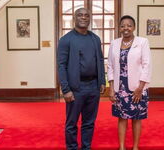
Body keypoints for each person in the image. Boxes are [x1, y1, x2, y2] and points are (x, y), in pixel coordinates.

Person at [57, 8, 106, 150]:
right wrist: (66, 89)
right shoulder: (66, 40)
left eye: (86, 15)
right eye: (80, 15)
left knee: (89, 123)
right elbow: (61, 66)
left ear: (89, 19)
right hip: (75, 88)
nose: (83, 17)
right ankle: (72, 147)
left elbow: (101, 60)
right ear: (74, 18)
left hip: (93, 87)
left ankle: (86, 147)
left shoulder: (95, 39)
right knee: (72, 123)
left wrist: (102, 80)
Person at [107, 15, 152, 150]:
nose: (126, 28)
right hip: (119, 87)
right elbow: (110, 65)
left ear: (134, 27)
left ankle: (135, 147)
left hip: (137, 87)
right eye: (122, 25)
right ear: (119, 28)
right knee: (121, 117)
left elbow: (147, 65)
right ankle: (121, 147)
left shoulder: (142, 42)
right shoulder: (114, 43)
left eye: (129, 25)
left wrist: (140, 88)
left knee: (136, 118)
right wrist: (111, 88)